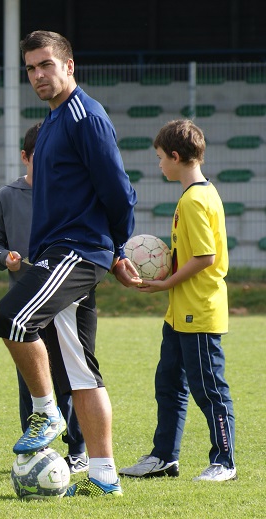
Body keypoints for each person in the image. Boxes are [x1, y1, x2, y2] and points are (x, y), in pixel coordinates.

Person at [0, 30, 141, 497]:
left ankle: (46, 411)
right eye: (31, 68)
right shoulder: (53, 119)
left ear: (69, 65)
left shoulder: (85, 117)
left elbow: (119, 192)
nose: (38, 75)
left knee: (12, 317)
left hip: (76, 250)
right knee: (80, 371)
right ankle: (104, 478)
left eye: (46, 65)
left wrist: (117, 249)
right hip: (61, 252)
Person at [119, 120, 236, 482]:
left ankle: (224, 462)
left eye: (160, 158)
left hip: (198, 311)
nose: (159, 165)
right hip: (179, 312)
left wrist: (165, 282)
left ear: (175, 156)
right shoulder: (196, 194)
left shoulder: (196, 200)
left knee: (209, 389)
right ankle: (163, 457)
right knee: (168, 384)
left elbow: (205, 257)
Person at [0, 122, 88, 474]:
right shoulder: (7, 196)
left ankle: (78, 449)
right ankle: (36, 449)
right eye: (38, 159)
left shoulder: (67, 194)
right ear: (25, 157)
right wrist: (6, 257)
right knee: (30, 379)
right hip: (24, 301)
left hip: (64, 300)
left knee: (69, 376)